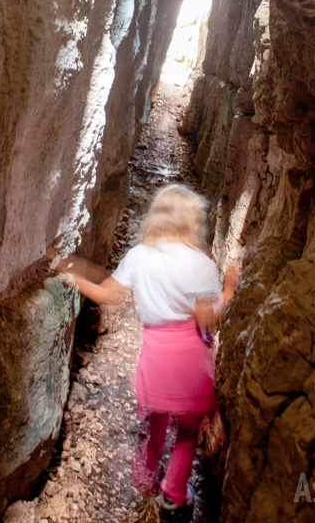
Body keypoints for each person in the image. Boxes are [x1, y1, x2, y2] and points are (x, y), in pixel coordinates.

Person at [57, 183, 239, 521]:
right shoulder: (201, 264)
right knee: (186, 436)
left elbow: (107, 295)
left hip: (156, 361)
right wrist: (228, 289)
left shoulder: (140, 256)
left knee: (155, 425)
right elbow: (209, 317)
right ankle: (173, 496)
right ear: (191, 222)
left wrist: (70, 273)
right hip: (191, 364)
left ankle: (145, 478)